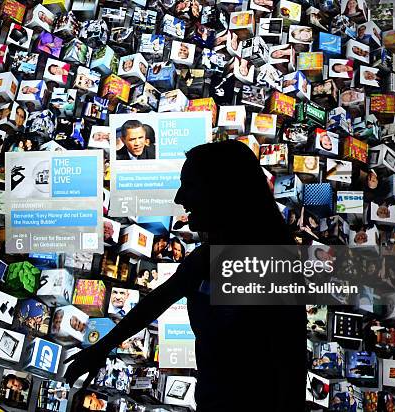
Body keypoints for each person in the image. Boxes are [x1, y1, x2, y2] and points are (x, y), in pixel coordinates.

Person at [63, 140, 306, 411]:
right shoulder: (208, 257)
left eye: (189, 185)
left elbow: (290, 373)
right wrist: (102, 347)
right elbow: (156, 301)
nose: (179, 198)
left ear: (222, 191)